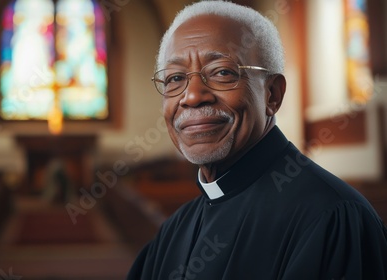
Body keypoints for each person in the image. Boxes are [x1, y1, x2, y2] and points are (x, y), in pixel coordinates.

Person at [127, 1, 387, 279]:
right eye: (175, 78)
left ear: (272, 94)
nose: (192, 96)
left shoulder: (333, 218)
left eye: (222, 72)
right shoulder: (173, 231)